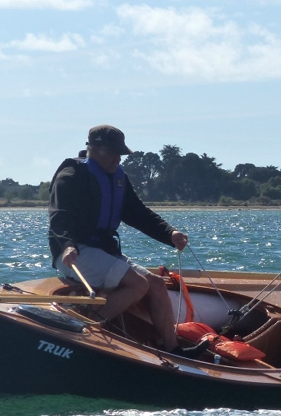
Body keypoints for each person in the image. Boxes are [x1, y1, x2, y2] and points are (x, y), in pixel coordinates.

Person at [48, 125, 188, 352]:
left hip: (103, 252)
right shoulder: (71, 176)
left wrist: (169, 233)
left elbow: (138, 213)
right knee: (137, 284)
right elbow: (59, 217)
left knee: (156, 284)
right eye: (111, 152)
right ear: (93, 148)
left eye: (120, 153)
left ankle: (173, 349)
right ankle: (86, 329)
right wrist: (67, 245)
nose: (117, 158)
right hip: (73, 253)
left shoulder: (118, 178)